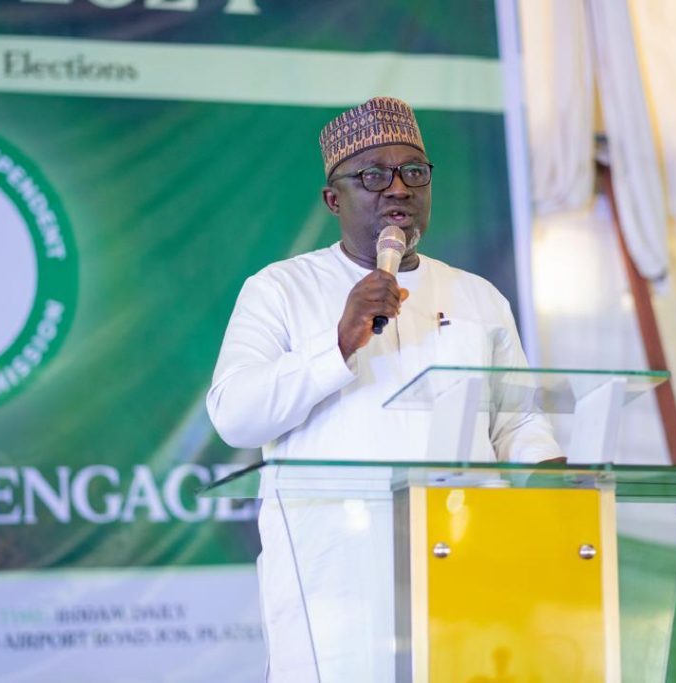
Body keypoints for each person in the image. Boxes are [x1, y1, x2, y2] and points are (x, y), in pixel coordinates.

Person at [206, 97, 560, 682]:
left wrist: (560, 496)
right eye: (373, 176)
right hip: (337, 582)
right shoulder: (280, 289)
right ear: (333, 199)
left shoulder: (478, 296)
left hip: (467, 567)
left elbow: (517, 423)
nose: (397, 188)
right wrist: (338, 342)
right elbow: (235, 416)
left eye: (413, 172)